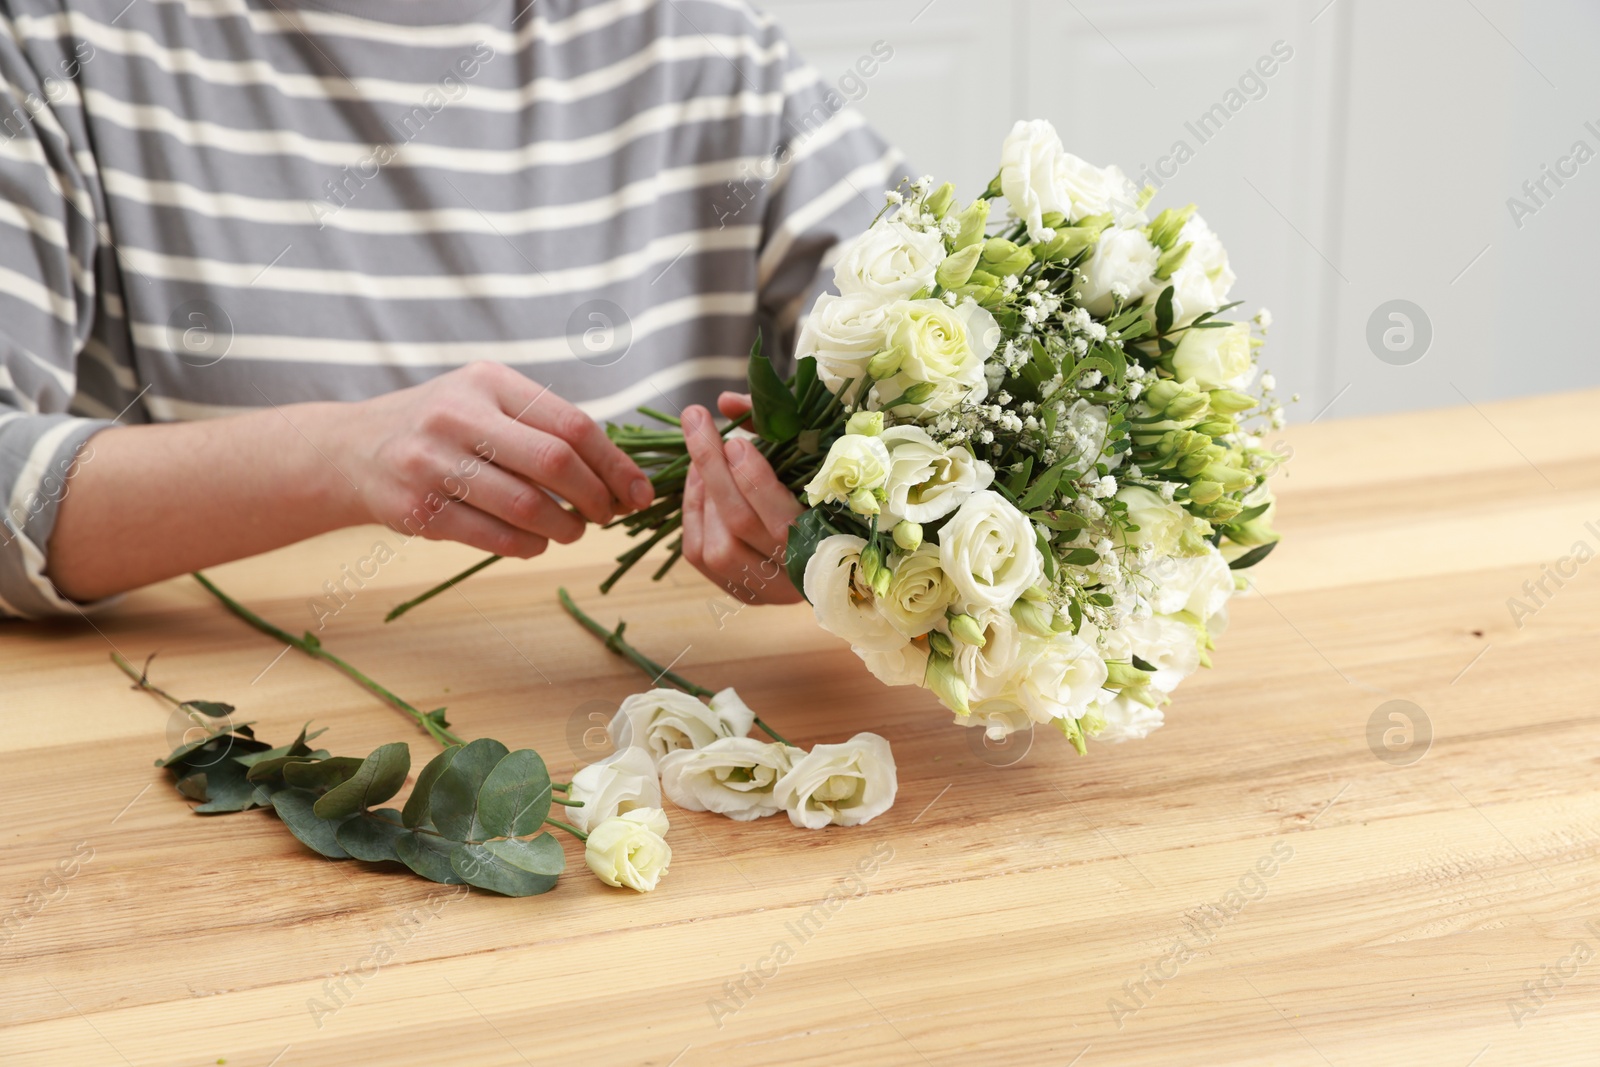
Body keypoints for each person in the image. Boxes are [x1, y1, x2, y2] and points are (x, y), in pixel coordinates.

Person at [0, 0, 906, 618]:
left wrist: (830, 519)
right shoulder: (65, 39)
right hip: (241, 753)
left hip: (660, 753)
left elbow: (942, 323)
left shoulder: (700, 38)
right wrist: (338, 456)